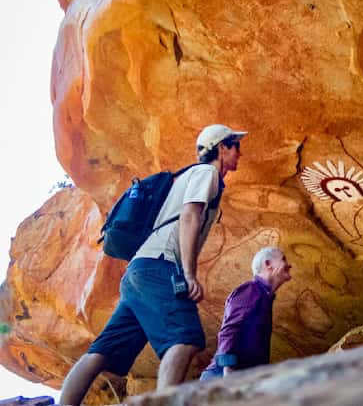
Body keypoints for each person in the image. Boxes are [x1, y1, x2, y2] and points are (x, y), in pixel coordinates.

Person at [59, 124, 247, 405]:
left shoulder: (184, 177)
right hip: (160, 265)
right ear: (222, 147)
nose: (240, 155)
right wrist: (188, 274)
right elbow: (190, 215)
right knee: (185, 338)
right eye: (236, 147)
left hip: (138, 270)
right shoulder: (206, 173)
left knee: (103, 351)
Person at [199, 246, 292, 381]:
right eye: (283, 259)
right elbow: (230, 328)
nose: (289, 265)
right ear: (268, 264)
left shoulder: (265, 296)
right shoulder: (251, 289)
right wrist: (228, 368)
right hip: (221, 378)